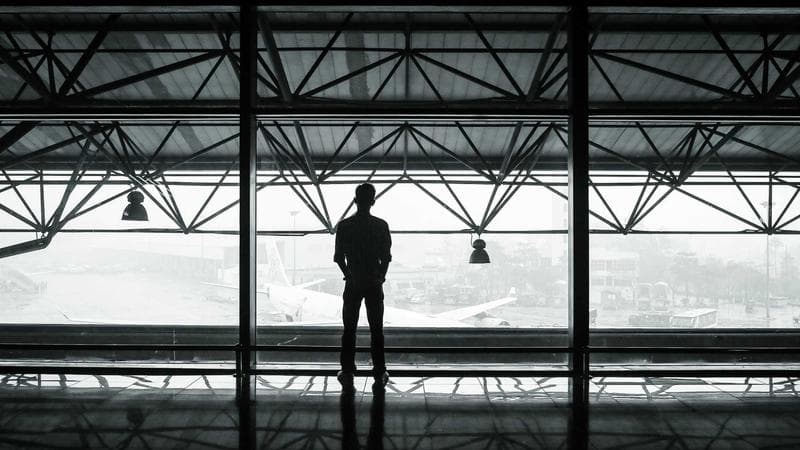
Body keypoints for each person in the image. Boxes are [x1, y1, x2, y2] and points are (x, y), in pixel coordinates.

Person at [334, 183, 392, 388]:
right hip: (373, 282)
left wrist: (348, 275)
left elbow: (339, 258)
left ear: (355, 200)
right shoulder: (380, 225)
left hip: (353, 281)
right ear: (373, 201)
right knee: (377, 329)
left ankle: (347, 369)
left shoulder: (344, 226)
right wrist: (381, 277)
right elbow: (386, 257)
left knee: (349, 329)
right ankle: (379, 370)